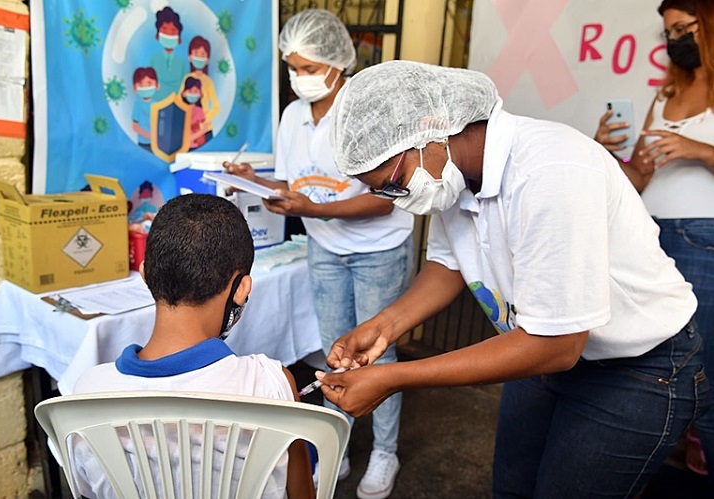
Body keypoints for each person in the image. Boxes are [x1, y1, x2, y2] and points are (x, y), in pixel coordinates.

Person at [317, 60, 710, 498]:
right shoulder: (455, 174)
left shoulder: (550, 172)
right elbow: (449, 266)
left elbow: (558, 343)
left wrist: (395, 378)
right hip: (543, 347)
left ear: (433, 128)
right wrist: (382, 327)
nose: (394, 198)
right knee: (511, 489)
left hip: (638, 363)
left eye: (392, 182)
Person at [225, 9, 415, 499]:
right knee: (335, 350)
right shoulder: (293, 116)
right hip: (324, 248)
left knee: (378, 354)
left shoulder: (366, 111)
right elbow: (294, 185)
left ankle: (385, 451)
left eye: (308, 68)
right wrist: (254, 181)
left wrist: (310, 206)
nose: (299, 78)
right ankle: (339, 443)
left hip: (377, 248)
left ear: (336, 62)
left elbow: (387, 193)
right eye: (293, 68)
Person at [71, 194, 314, 499]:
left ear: (146, 274)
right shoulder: (271, 383)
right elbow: (302, 494)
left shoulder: (86, 393)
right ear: (242, 290)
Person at [593, 0, 714, 483]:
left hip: (704, 240)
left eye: (686, 28)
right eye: (669, 32)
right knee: (651, 366)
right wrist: (607, 153)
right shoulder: (666, 93)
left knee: (704, 370)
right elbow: (638, 178)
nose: (676, 40)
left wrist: (697, 150)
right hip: (651, 238)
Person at [180, 35, 220, 137]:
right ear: (190, 57)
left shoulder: (208, 81)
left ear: (207, 60)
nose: (199, 57)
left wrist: (203, 120)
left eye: (202, 54)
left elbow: (216, 107)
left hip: (206, 128)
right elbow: (179, 100)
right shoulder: (186, 78)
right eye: (196, 53)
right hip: (190, 127)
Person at [150, 6, 187, 101]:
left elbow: (185, 85)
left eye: (173, 31)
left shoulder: (182, 63)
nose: (168, 35)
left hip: (178, 103)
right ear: (157, 36)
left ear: (179, 39)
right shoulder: (154, 60)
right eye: (164, 30)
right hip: (157, 103)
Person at [131, 67, 159, 151]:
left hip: (158, 144)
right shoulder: (137, 104)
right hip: (143, 143)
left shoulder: (157, 104)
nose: (145, 87)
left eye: (149, 83)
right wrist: (149, 136)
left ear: (157, 86)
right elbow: (135, 126)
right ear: (135, 88)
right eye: (141, 85)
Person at [180, 76, 210, 149]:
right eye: (190, 91)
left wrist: (201, 132)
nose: (193, 94)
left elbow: (204, 130)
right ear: (184, 93)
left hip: (196, 148)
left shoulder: (200, 111)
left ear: (200, 94)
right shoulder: (180, 110)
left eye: (196, 91)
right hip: (182, 148)